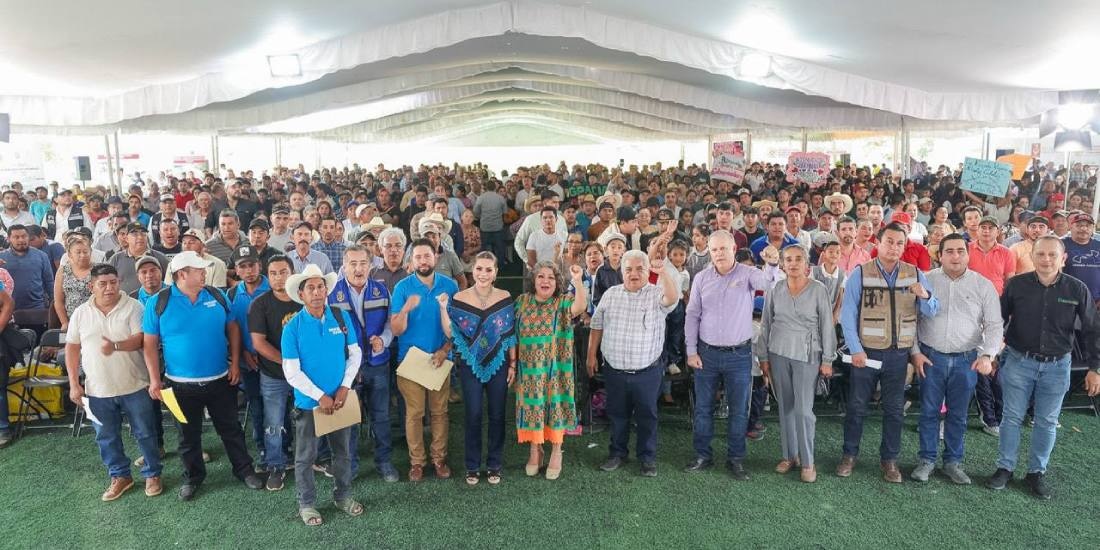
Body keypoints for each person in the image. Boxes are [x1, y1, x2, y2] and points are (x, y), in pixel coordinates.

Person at [142, 251, 265, 501]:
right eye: (199, 271)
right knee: (187, 436)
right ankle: (193, 477)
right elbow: (149, 344)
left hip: (220, 379)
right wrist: (155, 379)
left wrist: (234, 362)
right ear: (182, 274)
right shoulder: (158, 303)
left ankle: (244, 470)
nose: (204, 274)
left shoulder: (216, 295)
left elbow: (232, 326)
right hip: (178, 386)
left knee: (231, 429)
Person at [987, 236, 1100, 500]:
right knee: (1011, 417)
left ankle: (1036, 472)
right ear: (1033, 257)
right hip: (1018, 361)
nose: (1046, 260)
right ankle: (1005, 467)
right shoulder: (1016, 285)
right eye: (1041, 254)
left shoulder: (1077, 289)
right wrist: (992, 352)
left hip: (1058, 366)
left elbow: (1093, 331)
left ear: (1063, 259)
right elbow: (998, 320)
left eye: (1052, 255)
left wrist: (1095, 367)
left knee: (1047, 422)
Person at [838, 222, 938, 483]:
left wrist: (925, 296)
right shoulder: (860, 273)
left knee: (894, 409)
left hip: (899, 354)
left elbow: (931, 311)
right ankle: (849, 455)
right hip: (866, 354)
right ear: (878, 243)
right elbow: (847, 316)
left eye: (899, 243)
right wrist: (856, 349)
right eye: (889, 241)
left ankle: (889, 460)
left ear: (905, 246)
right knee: (857, 407)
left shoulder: (915, 273)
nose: (894, 247)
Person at [908, 233, 1003, 485]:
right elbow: (911, 321)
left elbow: (994, 325)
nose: (955, 256)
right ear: (939, 255)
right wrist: (915, 352)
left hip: (966, 360)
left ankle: (952, 462)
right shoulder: (925, 281)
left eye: (960, 250)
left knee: (958, 415)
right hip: (930, 358)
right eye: (949, 251)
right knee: (928, 412)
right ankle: (926, 460)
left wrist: (987, 355)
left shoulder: (983, 285)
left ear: (968, 253)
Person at [683, 230, 778, 480]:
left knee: (739, 410)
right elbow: (692, 315)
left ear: (734, 249)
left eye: (723, 249)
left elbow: (768, 285)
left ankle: (736, 459)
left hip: (739, 354)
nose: (718, 254)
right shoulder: (701, 278)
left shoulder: (748, 274)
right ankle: (703, 455)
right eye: (714, 250)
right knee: (703, 408)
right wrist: (691, 351)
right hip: (706, 354)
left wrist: (771, 264)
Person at [64, 264, 163, 501]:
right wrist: (74, 384)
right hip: (97, 389)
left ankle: (153, 473)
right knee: (105, 436)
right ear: (92, 286)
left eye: (113, 282)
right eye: (103, 283)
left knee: (145, 433)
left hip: (135, 385)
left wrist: (115, 346)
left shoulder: (134, 307)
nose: (109, 288)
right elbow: (72, 348)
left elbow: (140, 340)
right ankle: (120, 476)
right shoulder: (80, 312)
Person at [280, 264, 364, 525]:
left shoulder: (340, 316)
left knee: (344, 453)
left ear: (326, 290)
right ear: (302, 295)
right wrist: (319, 396)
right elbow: (291, 372)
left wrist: (344, 387)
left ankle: (343, 496)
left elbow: (355, 354)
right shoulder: (291, 328)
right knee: (305, 458)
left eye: (320, 287)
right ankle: (307, 504)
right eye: (310, 288)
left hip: (340, 400)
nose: (317, 292)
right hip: (309, 404)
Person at [588, 239, 679, 477]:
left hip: (647, 371)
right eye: (629, 269)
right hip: (615, 371)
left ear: (647, 271)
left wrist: (662, 272)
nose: (634, 274)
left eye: (640, 269)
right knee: (617, 415)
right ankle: (617, 453)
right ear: (621, 271)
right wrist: (590, 355)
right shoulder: (610, 294)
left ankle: (647, 458)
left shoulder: (656, 294)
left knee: (647, 415)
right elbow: (596, 325)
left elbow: (673, 298)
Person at [755, 245, 837, 483]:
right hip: (778, 353)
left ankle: (808, 461)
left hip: (807, 355)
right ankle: (789, 455)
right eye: (788, 259)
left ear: (807, 265)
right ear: (782, 264)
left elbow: (826, 327)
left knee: (803, 410)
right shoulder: (776, 289)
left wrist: (828, 359)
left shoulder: (818, 290)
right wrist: (763, 357)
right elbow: (766, 324)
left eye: (798, 259)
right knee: (786, 407)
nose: (792, 263)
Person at [439, 252, 517, 485]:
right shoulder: (459, 297)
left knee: (497, 414)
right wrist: (443, 307)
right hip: (470, 364)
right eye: (479, 269)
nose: (483, 274)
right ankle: (472, 466)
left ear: (496, 273)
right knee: (472, 415)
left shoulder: (505, 297)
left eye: (488, 269)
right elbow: (450, 332)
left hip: (500, 363)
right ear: (472, 271)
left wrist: (513, 363)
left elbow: (510, 334)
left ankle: (494, 464)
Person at [390, 238, 459, 481]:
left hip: (441, 358)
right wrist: (406, 309)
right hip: (411, 361)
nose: (422, 261)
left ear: (436, 257)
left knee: (440, 412)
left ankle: (439, 459)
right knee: (415, 413)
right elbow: (396, 330)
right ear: (411, 261)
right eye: (417, 257)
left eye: (426, 256)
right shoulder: (402, 288)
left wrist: (445, 349)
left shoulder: (450, 286)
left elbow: (458, 328)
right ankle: (417, 462)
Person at [329, 244, 398, 482]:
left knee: (381, 415)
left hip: (378, 364)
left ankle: (384, 462)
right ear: (344, 266)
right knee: (348, 420)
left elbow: (390, 323)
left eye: (363, 263)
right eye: (353, 264)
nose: (358, 269)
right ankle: (351, 466)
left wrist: (385, 340)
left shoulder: (382, 291)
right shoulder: (331, 294)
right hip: (347, 369)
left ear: (370, 266)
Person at [514, 260, 587, 480]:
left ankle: (556, 450)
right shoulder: (522, 302)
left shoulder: (562, 302)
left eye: (551, 277)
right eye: (541, 276)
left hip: (556, 371)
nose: (546, 281)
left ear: (557, 282)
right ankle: (535, 449)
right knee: (533, 408)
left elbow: (580, 307)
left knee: (556, 405)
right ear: (533, 280)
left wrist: (578, 281)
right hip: (529, 372)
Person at [247, 255, 300, 491]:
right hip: (273, 376)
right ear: (268, 277)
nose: (279, 277)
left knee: (310, 419)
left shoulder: (305, 299)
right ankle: (276, 465)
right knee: (274, 423)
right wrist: (287, 363)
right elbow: (259, 343)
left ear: (292, 273)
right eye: (274, 273)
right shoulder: (259, 304)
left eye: (284, 271)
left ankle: (317, 458)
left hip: (305, 374)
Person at [226, 245, 271, 466]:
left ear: (259, 265)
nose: (249, 270)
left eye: (251, 264)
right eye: (243, 266)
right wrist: (244, 351)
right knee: (256, 404)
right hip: (247, 361)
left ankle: (284, 444)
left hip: (273, 360)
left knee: (278, 404)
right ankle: (262, 446)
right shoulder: (232, 294)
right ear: (237, 270)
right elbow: (232, 328)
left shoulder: (274, 287)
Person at [0, 225, 54, 314]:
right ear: (8, 239)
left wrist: (53, 304)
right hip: (8, 311)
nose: (21, 240)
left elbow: (49, 282)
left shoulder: (41, 256)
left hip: (37, 309)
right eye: (16, 237)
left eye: (24, 236)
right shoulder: (1, 257)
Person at [108, 223, 168, 295]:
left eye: (143, 234)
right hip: (125, 303)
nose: (140, 237)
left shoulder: (160, 257)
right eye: (135, 234)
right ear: (126, 238)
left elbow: (169, 282)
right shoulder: (116, 259)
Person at [54, 233, 94, 329]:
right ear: (69, 254)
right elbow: (58, 300)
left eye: (85, 252)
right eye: (78, 252)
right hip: (71, 321)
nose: (82, 255)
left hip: (94, 320)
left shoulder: (98, 270)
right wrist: (64, 322)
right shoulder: (63, 270)